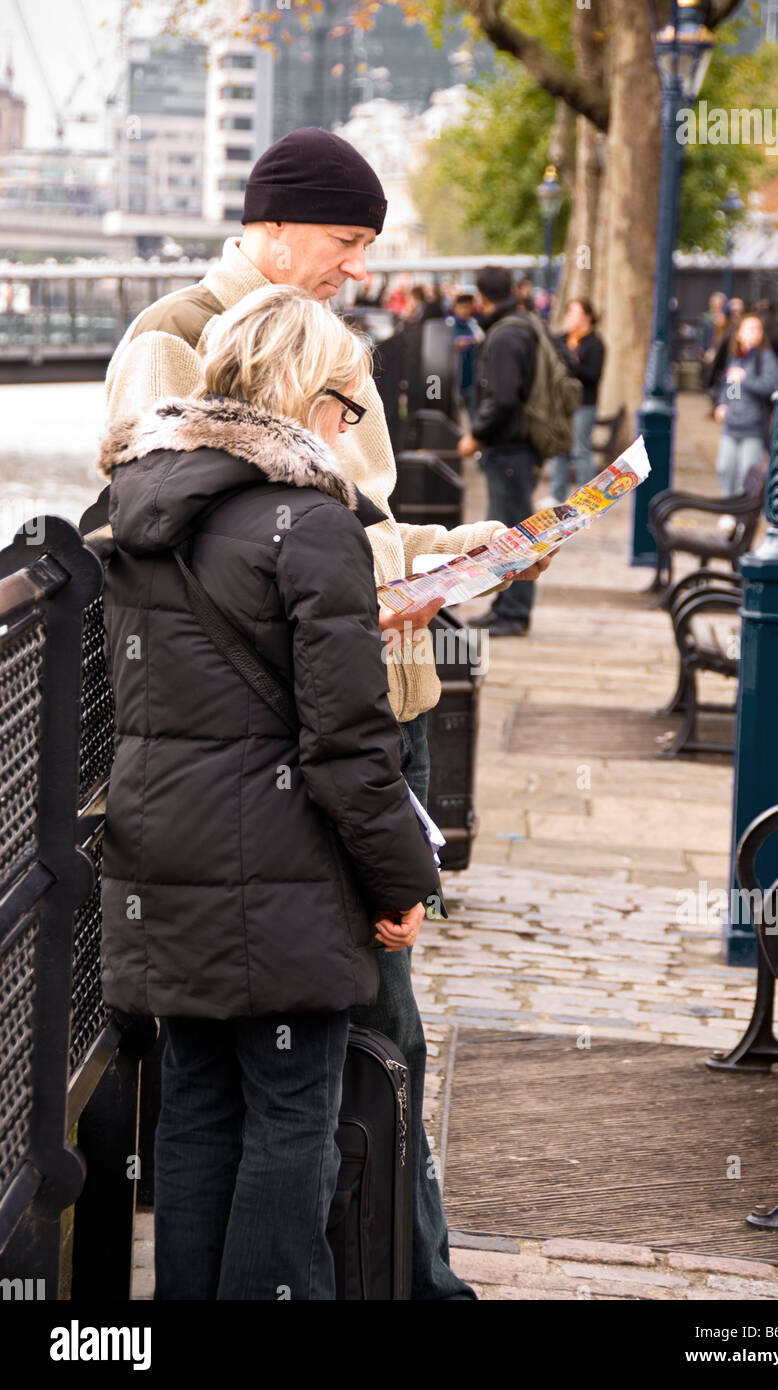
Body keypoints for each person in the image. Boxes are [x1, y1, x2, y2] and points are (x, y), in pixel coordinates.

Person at [102, 125, 552, 1300]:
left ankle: (381, 1273)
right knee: (332, 1067)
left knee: (218, 1094)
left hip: (208, 795)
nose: (358, 265)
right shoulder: (180, 342)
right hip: (297, 775)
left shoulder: (300, 380)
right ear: (279, 220)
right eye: (347, 241)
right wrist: (401, 879)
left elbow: (207, 538)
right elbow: (241, 552)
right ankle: (396, 1280)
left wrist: (453, 553)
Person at [97, 286, 444, 1299]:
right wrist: (399, 882)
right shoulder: (311, 525)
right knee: (293, 1119)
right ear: (308, 393)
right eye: (348, 397)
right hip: (283, 871)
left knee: (197, 1111)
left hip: (164, 858)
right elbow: (345, 741)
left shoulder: (141, 508)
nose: (352, 420)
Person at [457, 266, 542, 637]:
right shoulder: (519, 324)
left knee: (510, 531)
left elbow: (504, 397)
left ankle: (513, 612)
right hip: (518, 446)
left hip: (509, 447)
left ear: (481, 296)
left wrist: (476, 434)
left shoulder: (505, 334)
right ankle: (505, 605)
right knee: (511, 527)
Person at [713, 312, 778, 498]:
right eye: (750, 328)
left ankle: (742, 516)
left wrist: (746, 378)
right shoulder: (736, 357)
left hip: (753, 428)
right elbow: (731, 388)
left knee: (747, 473)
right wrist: (723, 404)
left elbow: (769, 387)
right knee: (725, 468)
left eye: (758, 329)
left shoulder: (765, 358)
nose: (754, 333)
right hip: (732, 425)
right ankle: (730, 506)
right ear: (739, 334)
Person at [550, 299, 605, 502]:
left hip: (584, 404)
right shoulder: (561, 340)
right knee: (559, 449)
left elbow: (593, 375)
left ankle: (587, 499)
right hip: (561, 403)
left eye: (576, 313)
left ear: (587, 317)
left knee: (580, 449)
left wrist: (572, 364)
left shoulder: (595, 343)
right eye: (569, 312)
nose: (571, 317)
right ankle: (557, 495)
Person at [446, 291, 484, 421]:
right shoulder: (450, 324)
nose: (466, 310)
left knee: (473, 414)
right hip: (455, 378)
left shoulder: (472, 324)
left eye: (468, 306)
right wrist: (472, 340)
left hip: (471, 377)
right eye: (463, 306)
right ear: (456, 307)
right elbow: (457, 343)